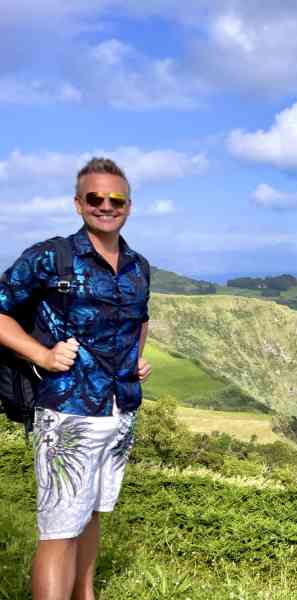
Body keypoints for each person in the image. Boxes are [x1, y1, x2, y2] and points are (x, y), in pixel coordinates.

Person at [0, 157, 152, 600]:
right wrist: (42, 355)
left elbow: (140, 319)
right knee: (58, 529)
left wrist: (136, 359)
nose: (106, 205)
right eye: (95, 198)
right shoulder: (52, 256)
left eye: (116, 198)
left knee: (91, 516)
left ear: (129, 204)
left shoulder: (138, 266)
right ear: (78, 203)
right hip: (67, 412)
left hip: (120, 408)